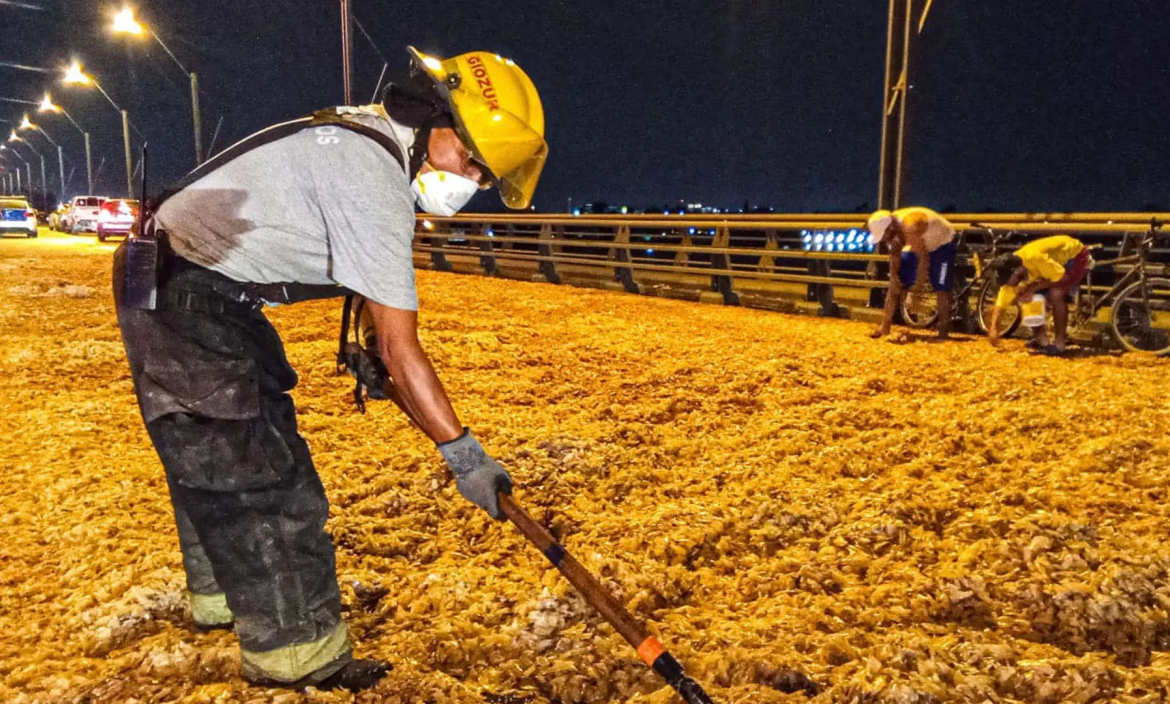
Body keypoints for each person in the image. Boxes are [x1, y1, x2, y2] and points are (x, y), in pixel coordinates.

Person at [113, 47, 548, 691]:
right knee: (262, 478)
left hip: (198, 284)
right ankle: (298, 659)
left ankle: (225, 602)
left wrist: (370, 351)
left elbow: (378, 324)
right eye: (474, 163)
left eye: (486, 176)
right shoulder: (372, 180)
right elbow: (404, 350)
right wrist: (465, 457)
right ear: (439, 122)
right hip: (189, 292)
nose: (474, 181)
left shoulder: (364, 141)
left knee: (229, 444)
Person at [866, 207, 958, 339]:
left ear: (890, 228)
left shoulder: (909, 226)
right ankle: (884, 326)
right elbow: (894, 254)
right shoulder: (893, 228)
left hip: (942, 242)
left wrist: (917, 289)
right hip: (917, 243)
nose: (885, 240)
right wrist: (894, 277)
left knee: (941, 286)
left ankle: (943, 329)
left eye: (884, 235)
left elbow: (923, 258)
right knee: (894, 285)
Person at [988, 235, 1089, 353]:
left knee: (1056, 294)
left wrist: (1033, 287)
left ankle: (1060, 342)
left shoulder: (1034, 257)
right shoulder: (1012, 270)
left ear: (1016, 271)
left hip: (1074, 255)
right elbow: (1001, 303)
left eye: (1008, 279)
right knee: (1027, 297)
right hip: (1050, 268)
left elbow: (1059, 277)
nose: (1008, 283)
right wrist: (993, 327)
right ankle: (1041, 340)